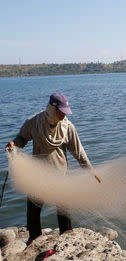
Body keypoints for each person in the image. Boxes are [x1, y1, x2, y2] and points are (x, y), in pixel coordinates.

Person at [5, 93, 96, 245]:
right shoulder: (34, 122)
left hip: (60, 174)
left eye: (65, 111)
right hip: (38, 175)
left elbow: (79, 153)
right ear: (51, 109)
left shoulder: (68, 127)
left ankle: (66, 236)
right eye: (61, 111)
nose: (63, 115)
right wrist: (14, 144)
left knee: (63, 208)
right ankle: (34, 237)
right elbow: (22, 138)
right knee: (33, 209)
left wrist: (90, 171)